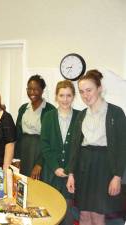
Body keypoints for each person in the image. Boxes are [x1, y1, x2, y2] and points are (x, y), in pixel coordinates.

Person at [67, 70, 126, 225]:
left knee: (98, 215)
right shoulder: (81, 116)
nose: (86, 95)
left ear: (99, 88)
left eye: (89, 90)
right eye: (81, 92)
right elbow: (75, 148)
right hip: (84, 167)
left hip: (105, 167)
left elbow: (122, 147)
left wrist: (117, 176)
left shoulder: (116, 113)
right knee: (84, 214)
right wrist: (71, 173)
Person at [40, 80, 79, 225]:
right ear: (56, 97)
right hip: (51, 172)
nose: (65, 99)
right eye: (61, 95)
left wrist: (70, 170)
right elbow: (44, 144)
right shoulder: (48, 117)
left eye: (69, 95)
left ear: (73, 96)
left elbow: (79, 148)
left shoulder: (80, 117)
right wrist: (55, 167)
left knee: (68, 211)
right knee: (50, 210)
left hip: (71, 175)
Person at [15, 75, 55, 179]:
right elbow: (17, 135)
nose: (32, 92)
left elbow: (51, 140)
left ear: (42, 90)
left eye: (36, 89)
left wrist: (39, 164)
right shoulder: (23, 108)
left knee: (38, 183)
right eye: (30, 89)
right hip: (24, 150)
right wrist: (16, 158)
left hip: (41, 151)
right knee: (22, 183)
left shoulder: (50, 110)